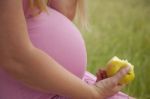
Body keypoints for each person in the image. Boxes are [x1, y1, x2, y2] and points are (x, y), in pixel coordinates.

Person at [0, 0, 134, 99]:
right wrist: (93, 93)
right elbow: (15, 58)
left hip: (60, 87)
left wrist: (82, 90)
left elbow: (64, 12)